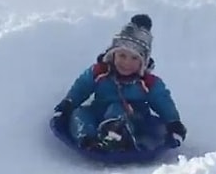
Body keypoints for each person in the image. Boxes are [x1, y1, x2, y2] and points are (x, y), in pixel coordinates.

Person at [53, 14, 187, 152]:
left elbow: (163, 101)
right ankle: (88, 140)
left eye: (135, 58)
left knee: (117, 108)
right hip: (100, 111)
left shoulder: (147, 82)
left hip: (134, 118)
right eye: (122, 55)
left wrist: (173, 123)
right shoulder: (100, 72)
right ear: (113, 55)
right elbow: (81, 87)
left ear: (143, 62)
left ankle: (117, 137)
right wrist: (68, 104)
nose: (127, 63)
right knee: (79, 113)